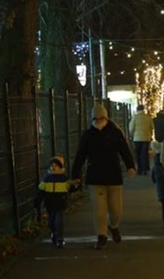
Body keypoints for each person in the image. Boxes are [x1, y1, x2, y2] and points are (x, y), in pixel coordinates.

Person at [70, 103, 136, 250]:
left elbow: (124, 150)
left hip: (113, 176)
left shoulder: (115, 132)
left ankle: (114, 225)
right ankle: (102, 235)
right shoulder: (88, 135)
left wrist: (130, 166)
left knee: (116, 209)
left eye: (100, 118)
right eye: (95, 119)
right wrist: (75, 175)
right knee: (99, 210)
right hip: (95, 177)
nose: (98, 121)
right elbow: (80, 155)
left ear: (105, 117)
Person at [34, 154, 77, 248]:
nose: (53, 167)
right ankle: (54, 234)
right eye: (52, 165)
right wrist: (37, 201)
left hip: (60, 204)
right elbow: (41, 191)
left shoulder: (64, 179)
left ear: (60, 167)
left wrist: (75, 185)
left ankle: (59, 238)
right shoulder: (47, 179)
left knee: (58, 221)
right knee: (51, 222)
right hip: (49, 204)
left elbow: (71, 188)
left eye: (56, 165)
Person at [129, 104, 154, 175]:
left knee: (138, 154)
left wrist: (132, 135)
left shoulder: (135, 118)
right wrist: (150, 134)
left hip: (137, 138)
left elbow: (131, 128)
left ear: (137, 110)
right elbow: (152, 127)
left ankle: (139, 169)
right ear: (143, 109)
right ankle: (145, 169)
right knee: (144, 154)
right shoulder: (148, 117)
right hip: (146, 138)